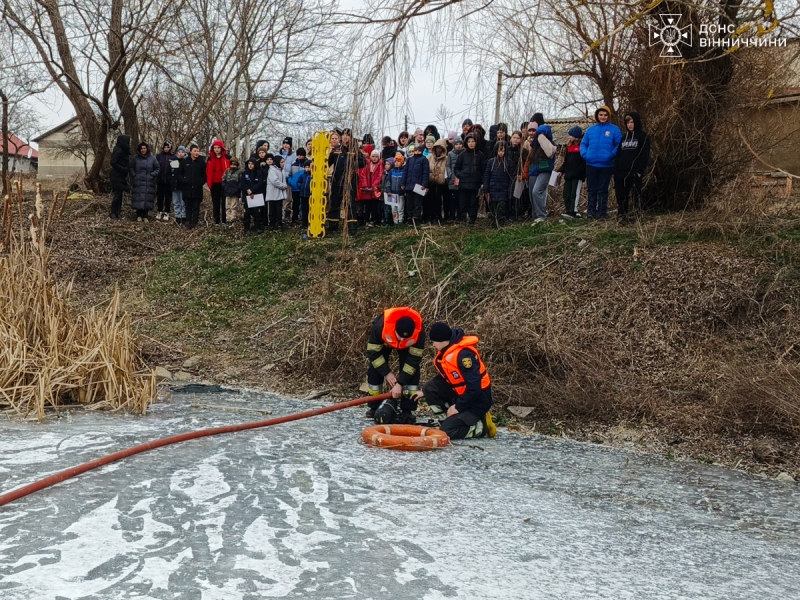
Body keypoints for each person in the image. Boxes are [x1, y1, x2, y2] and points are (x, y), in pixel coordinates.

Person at [412, 322, 496, 440]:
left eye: (434, 341)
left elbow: (474, 387)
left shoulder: (464, 356)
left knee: (448, 432)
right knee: (429, 388)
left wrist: (458, 407)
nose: (433, 344)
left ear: (441, 340)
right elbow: (446, 377)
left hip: (478, 400)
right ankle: (446, 420)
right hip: (462, 395)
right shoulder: (448, 351)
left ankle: (482, 426)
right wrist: (424, 392)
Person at [365, 306, 426, 424]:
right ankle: (374, 406)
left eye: (405, 337)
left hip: (409, 347)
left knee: (413, 372)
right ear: (395, 329)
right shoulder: (380, 326)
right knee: (375, 368)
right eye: (401, 336)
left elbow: (413, 361)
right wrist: (387, 373)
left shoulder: (419, 332)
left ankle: (407, 409)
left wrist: (400, 383)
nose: (403, 339)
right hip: (386, 341)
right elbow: (373, 352)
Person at [580, 105, 622, 219]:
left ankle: (602, 213)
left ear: (608, 116)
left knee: (603, 190)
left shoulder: (614, 129)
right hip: (591, 164)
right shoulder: (590, 130)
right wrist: (585, 154)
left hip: (606, 165)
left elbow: (619, 144)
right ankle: (590, 212)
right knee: (591, 189)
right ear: (597, 116)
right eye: (601, 115)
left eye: (605, 115)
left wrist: (611, 155)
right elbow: (583, 144)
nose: (603, 117)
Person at [327, 129, 364, 236]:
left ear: (350, 137)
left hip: (350, 181)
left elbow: (363, 162)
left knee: (350, 203)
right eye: (343, 135)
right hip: (337, 180)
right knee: (335, 202)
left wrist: (353, 163)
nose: (345, 137)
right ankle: (333, 225)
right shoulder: (336, 150)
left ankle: (352, 227)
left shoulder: (355, 150)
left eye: (347, 135)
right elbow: (328, 163)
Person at [614, 111, 650, 220]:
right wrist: (615, 170)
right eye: (628, 122)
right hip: (621, 171)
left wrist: (640, 171)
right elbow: (618, 154)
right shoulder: (624, 137)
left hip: (634, 171)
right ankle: (622, 215)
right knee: (621, 194)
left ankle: (637, 215)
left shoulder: (643, 137)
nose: (630, 124)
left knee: (635, 194)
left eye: (632, 122)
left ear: (637, 122)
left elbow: (645, 154)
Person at [523, 119, 556, 224]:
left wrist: (542, 138)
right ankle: (535, 216)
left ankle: (542, 215)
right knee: (532, 194)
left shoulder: (550, 145)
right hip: (533, 171)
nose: (540, 135)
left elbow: (550, 153)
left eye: (543, 133)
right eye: (539, 133)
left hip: (545, 170)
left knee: (536, 191)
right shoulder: (534, 146)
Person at [453, 133, 486, 225]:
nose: (471, 143)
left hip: (475, 183)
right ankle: (463, 219)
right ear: (466, 143)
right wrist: (460, 175)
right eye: (469, 142)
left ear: (476, 142)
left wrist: (482, 181)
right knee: (463, 203)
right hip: (463, 183)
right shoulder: (462, 155)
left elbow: (484, 170)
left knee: (473, 203)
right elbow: (456, 168)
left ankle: (472, 220)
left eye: (473, 141)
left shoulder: (480, 155)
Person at [556, 126, 587, 219]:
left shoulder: (582, 147)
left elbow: (583, 163)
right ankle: (568, 209)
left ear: (576, 136)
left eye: (571, 135)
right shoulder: (569, 148)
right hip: (568, 175)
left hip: (577, 176)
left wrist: (577, 172)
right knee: (567, 193)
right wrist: (560, 171)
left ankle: (574, 211)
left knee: (575, 193)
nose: (569, 137)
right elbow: (566, 162)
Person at [483, 140, 514, 226]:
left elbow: (511, 177)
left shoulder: (509, 162)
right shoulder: (491, 162)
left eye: (503, 150)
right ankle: (494, 223)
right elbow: (487, 176)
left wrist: (510, 189)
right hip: (492, 189)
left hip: (503, 189)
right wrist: (486, 188)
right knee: (493, 208)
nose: (501, 153)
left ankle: (501, 223)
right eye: (499, 150)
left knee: (501, 207)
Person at [129, 142, 159, 222]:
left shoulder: (152, 158)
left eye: (144, 148)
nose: (143, 150)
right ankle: (138, 215)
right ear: (139, 149)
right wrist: (134, 175)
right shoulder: (135, 158)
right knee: (138, 198)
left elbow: (157, 168)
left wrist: (152, 175)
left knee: (147, 198)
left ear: (147, 149)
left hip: (148, 182)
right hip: (138, 181)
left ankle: (145, 215)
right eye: (141, 148)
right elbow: (131, 167)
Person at [402, 143, 429, 227]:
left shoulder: (424, 160)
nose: (417, 152)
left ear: (421, 151)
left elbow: (425, 173)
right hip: (409, 185)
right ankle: (410, 218)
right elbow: (405, 172)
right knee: (409, 203)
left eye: (419, 150)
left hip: (418, 186)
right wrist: (403, 183)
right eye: (415, 150)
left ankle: (416, 218)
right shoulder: (409, 160)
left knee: (417, 203)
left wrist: (424, 184)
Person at [179, 144, 206, 228]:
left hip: (197, 188)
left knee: (196, 206)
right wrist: (184, 180)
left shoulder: (201, 162)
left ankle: (194, 222)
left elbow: (205, 174)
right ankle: (188, 221)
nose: (196, 153)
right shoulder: (185, 161)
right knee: (188, 206)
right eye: (195, 151)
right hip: (187, 188)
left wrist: (200, 182)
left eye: (198, 151)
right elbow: (179, 173)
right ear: (190, 152)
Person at [206, 140, 230, 225]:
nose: (216, 149)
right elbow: (207, 171)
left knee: (224, 203)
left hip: (224, 183)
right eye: (215, 148)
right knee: (215, 203)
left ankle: (224, 220)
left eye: (218, 148)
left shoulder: (227, 158)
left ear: (221, 148)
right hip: (214, 183)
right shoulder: (210, 158)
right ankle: (216, 220)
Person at [358, 149, 384, 226]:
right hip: (367, 189)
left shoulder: (380, 165)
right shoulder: (367, 164)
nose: (374, 158)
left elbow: (379, 176)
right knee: (367, 205)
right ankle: (367, 219)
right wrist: (365, 185)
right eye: (373, 156)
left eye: (376, 156)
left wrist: (374, 185)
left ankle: (374, 219)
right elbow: (363, 175)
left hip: (374, 188)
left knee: (374, 205)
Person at [240, 156, 266, 233]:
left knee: (256, 212)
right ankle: (247, 228)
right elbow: (242, 183)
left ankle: (257, 227)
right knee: (246, 213)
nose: (250, 165)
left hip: (256, 195)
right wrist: (247, 189)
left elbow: (260, 183)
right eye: (249, 164)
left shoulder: (259, 173)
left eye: (252, 164)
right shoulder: (244, 173)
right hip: (247, 196)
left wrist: (252, 189)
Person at [427, 137, 449, 224]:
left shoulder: (446, 159)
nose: (438, 150)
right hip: (431, 182)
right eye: (437, 147)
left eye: (440, 148)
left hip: (441, 183)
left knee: (439, 201)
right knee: (430, 200)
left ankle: (438, 216)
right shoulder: (429, 157)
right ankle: (430, 216)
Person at [109, 135, 130, 220]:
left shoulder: (123, 150)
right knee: (117, 195)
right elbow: (113, 162)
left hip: (121, 175)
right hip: (116, 175)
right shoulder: (118, 150)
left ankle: (118, 213)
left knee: (120, 195)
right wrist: (123, 168)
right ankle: (113, 213)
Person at [288, 148, 310, 225]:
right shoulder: (293, 165)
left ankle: (303, 218)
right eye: (298, 155)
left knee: (304, 204)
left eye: (301, 155)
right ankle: (294, 218)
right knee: (295, 204)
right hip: (295, 188)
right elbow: (289, 175)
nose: (300, 157)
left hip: (304, 188)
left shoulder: (307, 165)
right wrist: (291, 182)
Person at [154, 141, 175, 221]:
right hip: (160, 180)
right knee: (160, 196)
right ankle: (159, 210)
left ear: (170, 148)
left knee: (168, 197)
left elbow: (175, 168)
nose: (166, 149)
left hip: (169, 181)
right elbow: (156, 167)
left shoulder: (173, 157)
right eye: (165, 147)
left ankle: (167, 211)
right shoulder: (159, 156)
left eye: (168, 147)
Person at [266, 155, 288, 229]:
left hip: (279, 194)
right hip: (273, 193)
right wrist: (283, 186)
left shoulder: (282, 170)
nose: (283, 163)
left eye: (283, 162)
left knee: (279, 210)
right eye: (281, 162)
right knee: (272, 210)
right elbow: (275, 181)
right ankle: (272, 224)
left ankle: (279, 223)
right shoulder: (272, 170)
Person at [446, 136, 463, 221]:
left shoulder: (464, 153)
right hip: (452, 179)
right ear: (454, 145)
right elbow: (448, 165)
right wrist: (450, 174)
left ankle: (460, 216)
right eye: (456, 144)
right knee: (452, 199)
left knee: (460, 199)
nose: (458, 146)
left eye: (460, 144)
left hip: (462, 179)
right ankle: (452, 216)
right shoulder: (450, 154)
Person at [279, 137, 296, 222]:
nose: (285, 145)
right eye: (284, 143)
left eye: (287, 144)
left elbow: (294, 167)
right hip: (279, 179)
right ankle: (279, 213)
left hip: (288, 178)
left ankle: (287, 213)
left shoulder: (293, 155)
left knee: (288, 197)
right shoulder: (278, 155)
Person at [386, 152, 406, 225]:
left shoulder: (404, 171)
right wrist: (388, 190)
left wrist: (404, 190)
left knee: (400, 209)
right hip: (392, 193)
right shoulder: (391, 171)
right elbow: (389, 181)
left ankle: (400, 221)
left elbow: (405, 181)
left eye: (399, 161)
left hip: (400, 193)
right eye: (395, 161)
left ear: (402, 162)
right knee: (394, 209)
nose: (397, 163)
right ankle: (395, 221)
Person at [222, 157, 243, 223]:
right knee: (227, 206)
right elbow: (223, 179)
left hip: (235, 192)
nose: (233, 166)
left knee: (233, 207)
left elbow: (241, 182)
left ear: (237, 164)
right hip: (227, 191)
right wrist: (225, 186)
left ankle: (232, 219)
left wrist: (238, 189)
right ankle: (227, 219)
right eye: (231, 164)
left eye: (234, 164)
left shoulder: (240, 172)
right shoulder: (227, 171)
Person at [170, 146, 188, 225]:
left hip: (183, 185)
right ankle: (177, 216)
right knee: (176, 202)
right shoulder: (173, 160)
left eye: (182, 152)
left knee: (183, 202)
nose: (181, 153)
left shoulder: (186, 161)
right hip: (174, 185)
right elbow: (170, 173)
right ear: (177, 152)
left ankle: (183, 217)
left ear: (185, 153)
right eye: (179, 152)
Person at [296, 160, 313, 236]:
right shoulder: (302, 176)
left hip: (310, 195)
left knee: (310, 209)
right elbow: (298, 182)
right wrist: (301, 187)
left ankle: (310, 222)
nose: (307, 168)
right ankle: (304, 222)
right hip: (303, 195)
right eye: (306, 167)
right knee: (304, 209)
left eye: (308, 167)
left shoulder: (312, 176)